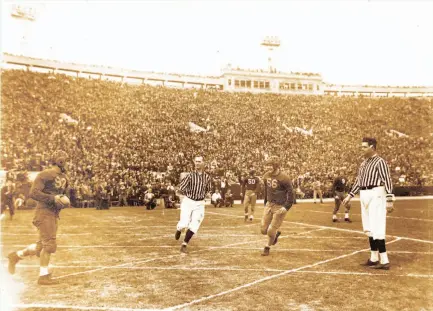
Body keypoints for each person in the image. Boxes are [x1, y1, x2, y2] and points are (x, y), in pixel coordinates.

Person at [7, 150, 70, 285]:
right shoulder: (45, 174)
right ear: (60, 161)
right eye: (65, 161)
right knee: (50, 245)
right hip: (44, 213)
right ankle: (43, 276)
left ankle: (16, 256)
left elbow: (60, 196)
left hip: (53, 213)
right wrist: (53, 198)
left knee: (42, 245)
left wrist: (62, 201)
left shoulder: (64, 177)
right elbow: (33, 193)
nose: (67, 164)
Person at [342, 137, 394, 270]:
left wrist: (389, 200)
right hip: (364, 194)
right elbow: (359, 181)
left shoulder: (380, 162)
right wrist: (349, 195)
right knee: (369, 227)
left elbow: (387, 179)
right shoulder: (363, 163)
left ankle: (384, 260)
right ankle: (373, 258)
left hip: (376, 192)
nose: (362, 149)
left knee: (377, 227)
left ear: (372, 147)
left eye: (364, 147)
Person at [175, 155, 212, 254]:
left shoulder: (207, 177)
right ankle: (179, 228)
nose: (197, 163)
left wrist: (208, 194)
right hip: (188, 201)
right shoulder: (190, 175)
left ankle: (184, 244)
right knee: (184, 223)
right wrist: (179, 192)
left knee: (195, 224)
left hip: (199, 203)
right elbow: (181, 187)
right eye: (196, 161)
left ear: (203, 163)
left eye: (199, 161)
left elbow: (209, 190)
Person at [261, 156, 294, 256]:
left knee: (271, 230)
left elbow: (291, 193)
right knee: (263, 230)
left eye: (270, 165)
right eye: (268, 165)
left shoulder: (284, 178)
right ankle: (275, 235)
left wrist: (286, 207)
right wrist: (265, 202)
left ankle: (267, 247)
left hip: (280, 206)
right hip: (269, 205)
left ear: (276, 165)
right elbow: (267, 190)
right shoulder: (266, 175)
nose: (268, 168)